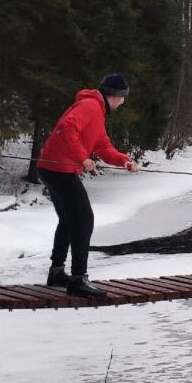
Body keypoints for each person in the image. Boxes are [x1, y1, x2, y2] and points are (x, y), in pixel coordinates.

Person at [37, 73, 140, 298]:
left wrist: (124, 160)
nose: (123, 103)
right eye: (123, 98)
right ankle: (78, 278)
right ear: (114, 96)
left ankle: (56, 272)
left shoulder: (96, 111)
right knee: (84, 220)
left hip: (51, 169)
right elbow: (67, 128)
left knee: (68, 219)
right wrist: (82, 158)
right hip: (59, 169)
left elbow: (103, 146)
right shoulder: (90, 106)